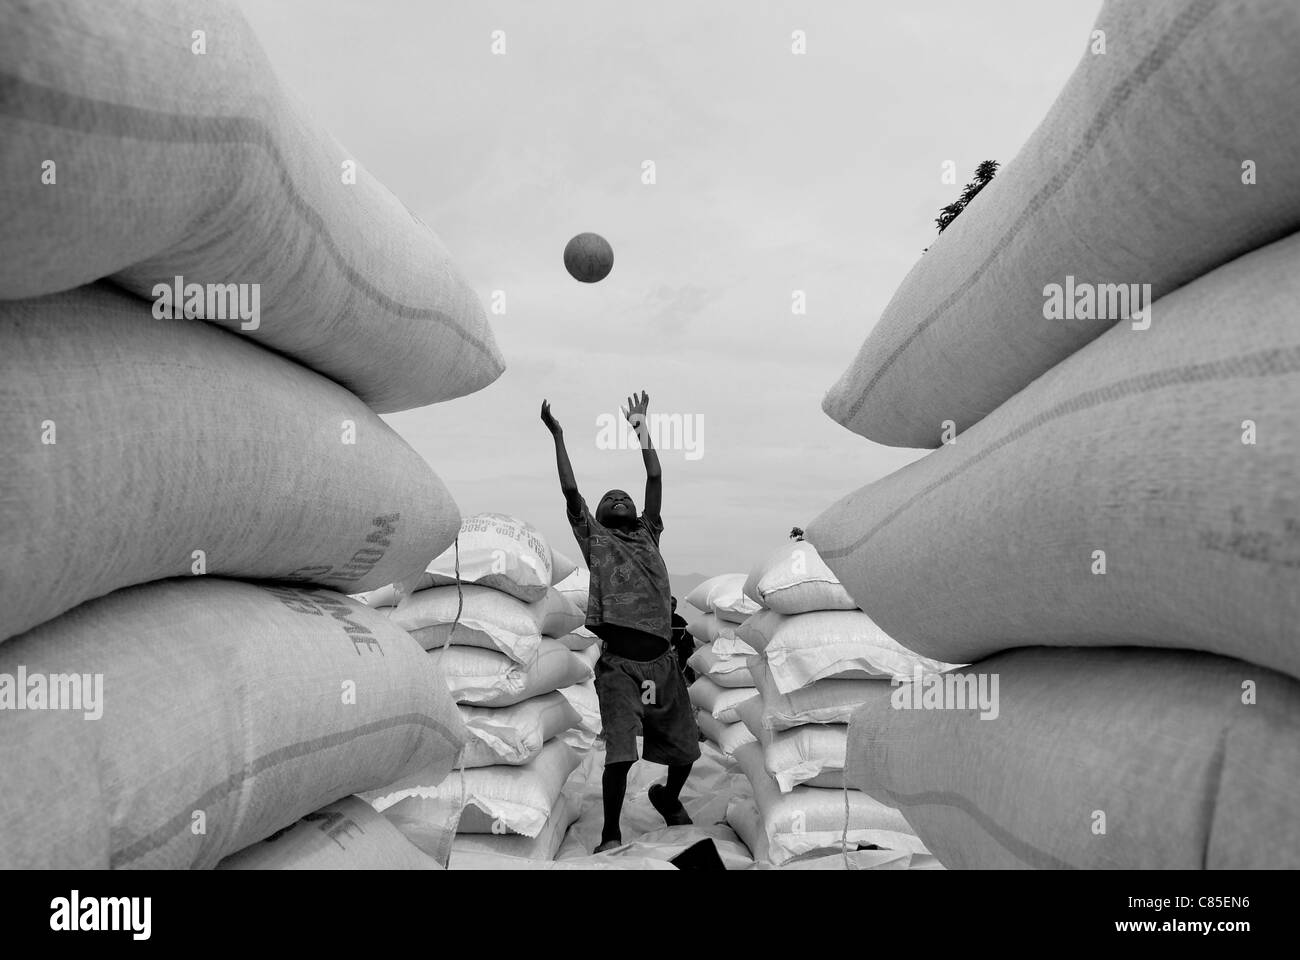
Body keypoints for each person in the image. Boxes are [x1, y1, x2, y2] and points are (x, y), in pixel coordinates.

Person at [541, 390, 700, 853]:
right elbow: (572, 491)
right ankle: (611, 832)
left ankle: (666, 796)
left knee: (686, 749)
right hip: (621, 669)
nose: (615, 498)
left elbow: (654, 474)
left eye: (621, 497)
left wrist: (640, 425)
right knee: (619, 753)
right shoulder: (594, 538)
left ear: (636, 512)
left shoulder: (649, 531)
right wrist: (558, 436)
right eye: (609, 498)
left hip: (663, 665)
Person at [670, 597, 695, 684]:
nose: (671, 607)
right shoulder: (657, 620)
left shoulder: (680, 621)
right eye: (669, 604)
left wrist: (676, 646)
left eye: (673, 605)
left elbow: (687, 638)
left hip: (678, 654)